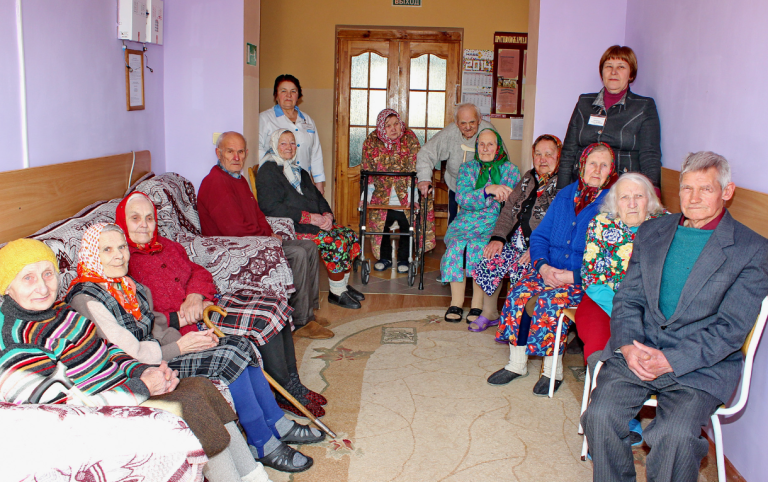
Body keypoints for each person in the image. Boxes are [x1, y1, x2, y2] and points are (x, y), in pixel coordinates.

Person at [0, 239, 273, 482]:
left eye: (47, 274)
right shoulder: (16, 339)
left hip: (121, 389)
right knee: (189, 404)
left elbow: (106, 349)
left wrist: (145, 371)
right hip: (96, 417)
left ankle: (252, 475)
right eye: (28, 278)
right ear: (7, 287)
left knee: (201, 387)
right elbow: (62, 410)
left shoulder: (59, 311)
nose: (42, 287)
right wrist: (142, 388)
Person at [66, 224, 325, 473]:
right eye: (107, 250)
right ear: (91, 255)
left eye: (122, 247)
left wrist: (192, 342)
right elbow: (129, 352)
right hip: (140, 370)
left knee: (240, 344)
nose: (119, 255)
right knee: (227, 358)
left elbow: (154, 324)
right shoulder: (86, 297)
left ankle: (276, 422)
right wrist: (180, 347)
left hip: (161, 351)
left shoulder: (125, 285)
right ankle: (262, 443)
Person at [582, 152, 768, 482]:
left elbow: (730, 329)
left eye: (705, 189)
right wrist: (626, 346)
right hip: (639, 349)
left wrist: (670, 359)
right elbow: (627, 299)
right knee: (600, 414)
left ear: (727, 191)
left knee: (675, 438)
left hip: (700, 365)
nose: (693, 198)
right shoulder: (653, 230)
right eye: (686, 188)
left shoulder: (751, 249)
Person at [112, 191, 327, 418]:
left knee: (276, 306)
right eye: (135, 218)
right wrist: (183, 315)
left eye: (149, 218)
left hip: (207, 303)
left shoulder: (167, 245)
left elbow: (198, 271)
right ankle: (285, 394)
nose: (144, 225)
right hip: (190, 324)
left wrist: (195, 294)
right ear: (122, 222)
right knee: (264, 319)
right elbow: (142, 318)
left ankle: (293, 384)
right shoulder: (123, 263)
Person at [487, 143, 617, 396]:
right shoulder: (566, 194)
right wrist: (543, 267)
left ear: (611, 170)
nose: (597, 170)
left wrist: (572, 275)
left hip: (584, 280)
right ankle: (517, 364)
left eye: (604, 165)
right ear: (582, 166)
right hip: (549, 269)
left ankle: (551, 371)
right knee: (518, 293)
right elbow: (539, 237)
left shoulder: (614, 202)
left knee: (548, 303)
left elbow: (609, 258)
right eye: (592, 163)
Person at [198, 131, 333, 340]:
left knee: (309, 247)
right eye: (230, 152)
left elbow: (258, 213)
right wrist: (267, 237)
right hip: (236, 249)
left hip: (257, 239)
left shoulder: (237, 179)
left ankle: (308, 312)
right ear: (219, 153)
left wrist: (269, 232)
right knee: (297, 253)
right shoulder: (216, 182)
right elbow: (234, 230)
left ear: (246, 153)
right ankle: (301, 321)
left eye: (240, 152)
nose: (236, 157)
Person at [257, 129, 364, 309]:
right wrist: (309, 218)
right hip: (294, 226)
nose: (289, 147)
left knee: (349, 235)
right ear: (274, 145)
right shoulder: (268, 171)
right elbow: (270, 207)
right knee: (334, 242)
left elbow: (318, 197)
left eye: (292, 143)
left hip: (313, 222)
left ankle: (342, 286)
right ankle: (336, 294)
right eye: (283, 143)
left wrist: (327, 215)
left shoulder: (299, 171)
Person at [469, 134, 562, 332]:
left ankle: (516, 320)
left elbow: (560, 225)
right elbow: (508, 210)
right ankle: (490, 313)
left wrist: (539, 250)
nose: (542, 159)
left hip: (539, 249)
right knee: (490, 257)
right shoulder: (528, 178)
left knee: (523, 269)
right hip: (515, 242)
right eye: (538, 154)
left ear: (559, 156)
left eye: (548, 154)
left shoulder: (563, 186)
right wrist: (498, 238)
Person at [577, 173, 667, 366]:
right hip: (603, 300)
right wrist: (626, 317)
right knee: (602, 351)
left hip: (652, 310)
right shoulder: (600, 224)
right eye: (624, 197)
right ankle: (600, 389)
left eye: (639, 196)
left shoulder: (665, 226)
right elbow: (593, 280)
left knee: (654, 354)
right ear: (615, 202)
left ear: (650, 200)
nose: (632, 203)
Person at [440, 128, 521, 323]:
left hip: (495, 220)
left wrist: (502, 197)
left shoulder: (511, 170)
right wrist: (489, 190)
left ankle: (478, 304)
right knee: (456, 245)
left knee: (480, 247)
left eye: (490, 144)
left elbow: (513, 203)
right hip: (466, 219)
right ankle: (456, 302)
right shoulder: (467, 168)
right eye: (481, 144)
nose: (485, 148)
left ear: (498, 147)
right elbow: (463, 198)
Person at [558, 45, 661, 189]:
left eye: (621, 67)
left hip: (622, 190)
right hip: (582, 187)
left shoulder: (643, 106)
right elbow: (568, 152)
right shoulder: (584, 102)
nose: (613, 72)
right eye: (608, 66)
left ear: (631, 74)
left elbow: (650, 157)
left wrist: (651, 195)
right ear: (602, 73)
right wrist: (561, 192)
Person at [361, 108, 436, 272]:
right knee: (383, 229)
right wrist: (365, 198)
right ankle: (384, 258)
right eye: (388, 125)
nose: (393, 128)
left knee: (407, 226)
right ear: (382, 127)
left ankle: (404, 259)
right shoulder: (371, 142)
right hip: (382, 197)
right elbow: (368, 174)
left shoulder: (410, 140)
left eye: (396, 124)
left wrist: (413, 199)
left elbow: (416, 172)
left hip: (406, 195)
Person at [416, 103, 507, 224]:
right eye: (463, 123)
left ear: (480, 120)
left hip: (486, 187)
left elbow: (503, 159)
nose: (468, 127)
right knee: (455, 224)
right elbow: (426, 153)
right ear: (456, 122)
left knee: (485, 226)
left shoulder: (489, 131)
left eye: (472, 122)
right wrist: (424, 178)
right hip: (457, 187)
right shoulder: (450, 133)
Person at [259, 75, 325, 195]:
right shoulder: (265, 119)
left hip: (304, 182)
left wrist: (319, 183)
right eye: (283, 91)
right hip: (278, 182)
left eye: (293, 91)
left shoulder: (307, 120)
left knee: (308, 212)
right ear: (276, 95)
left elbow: (316, 153)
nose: (288, 95)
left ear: (298, 95)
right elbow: (259, 151)